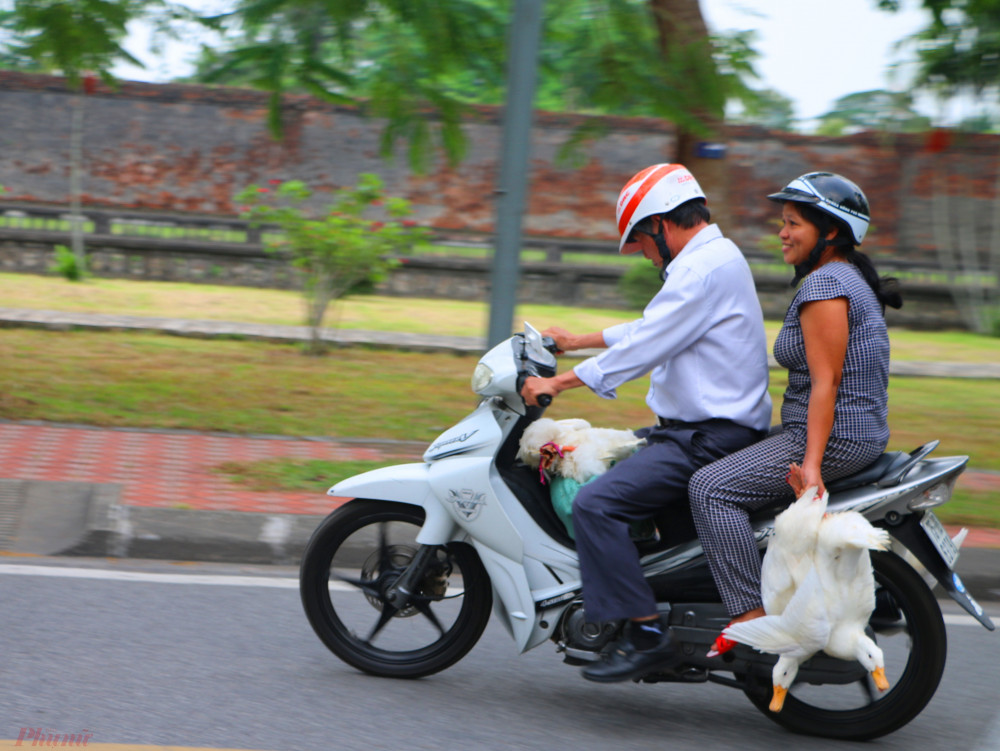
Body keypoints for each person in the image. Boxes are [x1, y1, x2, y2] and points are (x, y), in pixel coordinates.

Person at [521, 163, 772, 682]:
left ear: (661, 223)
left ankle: (645, 632)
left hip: (703, 441)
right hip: (697, 432)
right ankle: (667, 606)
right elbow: (652, 326)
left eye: (640, 240)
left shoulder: (700, 269)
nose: (642, 252)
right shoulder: (710, 261)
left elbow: (647, 345)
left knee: (595, 504)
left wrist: (558, 383)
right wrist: (575, 342)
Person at [687, 171, 903, 657]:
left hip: (837, 437)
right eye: (782, 222)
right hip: (854, 432)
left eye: (794, 223)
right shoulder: (843, 278)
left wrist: (811, 464)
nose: (782, 232)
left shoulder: (826, 284)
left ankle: (751, 622)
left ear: (830, 232)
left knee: (710, 487)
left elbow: (826, 383)